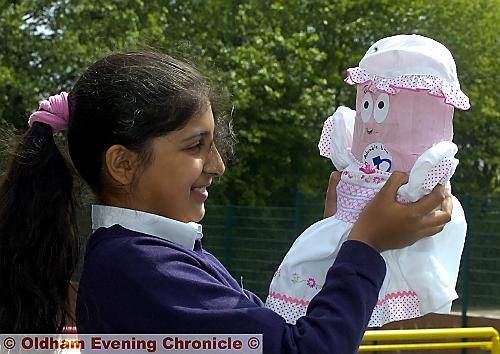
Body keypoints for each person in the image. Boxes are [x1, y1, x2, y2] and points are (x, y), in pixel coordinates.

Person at [0, 51, 451, 353]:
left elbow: (273, 332)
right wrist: (365, 246)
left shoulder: (152, 257)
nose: (216, 164)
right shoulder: (143, 270)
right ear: (122, 164)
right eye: (195, 145)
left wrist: (340, 233)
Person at [266, 34, 468, 327]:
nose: (372, 122)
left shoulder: (423, 171)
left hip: (388, 236)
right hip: (362, 239)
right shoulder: (352, 154)